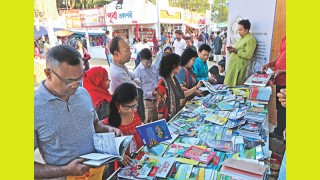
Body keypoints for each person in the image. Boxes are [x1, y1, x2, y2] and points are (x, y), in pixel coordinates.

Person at [34, 45, 122, 179]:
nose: (75, 85)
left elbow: (94, 123)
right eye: (68, 81)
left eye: (79, 78)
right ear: (48, 74)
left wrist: (107, 129)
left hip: (99, 173)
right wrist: (65, 170)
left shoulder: (83, 93)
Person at [102, 83, 158, 166]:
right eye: (126, 107)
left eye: (133, 106)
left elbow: (142, 136)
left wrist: (150, 142)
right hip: (122, 166)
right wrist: (117, 155)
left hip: (140, 159)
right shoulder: (107, 123)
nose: (130, 110)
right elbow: (102, 146)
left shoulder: (137, 114)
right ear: (117, 104)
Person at [157, 53, 202, 121]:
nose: (180, 67)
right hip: (167, 120)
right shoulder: (163, 83)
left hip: (174, 117)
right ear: (174, 66)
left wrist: (196, 87)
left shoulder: (174, 79)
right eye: (179, 65)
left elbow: (182, 95)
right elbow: (160, 110)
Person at [262, 36, 286, 140]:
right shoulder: (285, 37)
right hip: (279, 79)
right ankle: (279, 132)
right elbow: (281, 57)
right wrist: (270, 64)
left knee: (284, 108)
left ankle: (280, 133)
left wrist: (283, 71)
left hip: (285, 80)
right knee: (280, 108)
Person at [224, 19, 257, 87]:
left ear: (247, 30)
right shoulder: (240, 39)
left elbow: (248, 55)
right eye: (238, 30)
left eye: (240, 30)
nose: (239, 32)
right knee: (228, 84)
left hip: (239, 67)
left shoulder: (251, 39)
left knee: (236, 86)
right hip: (233, 65)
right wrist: (231, 50)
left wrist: (236, 51)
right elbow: (237, 51)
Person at [133, 48, 160, 123]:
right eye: (147, 62)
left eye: (150, 61)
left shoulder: (154, 67)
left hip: (156, 100)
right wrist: (151, 93)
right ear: (141, 60)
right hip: (146, 103)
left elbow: (157, 79)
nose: (149, 64)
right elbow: (138, 93)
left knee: (156, 123)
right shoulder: (137, 72)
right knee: (147, 123)